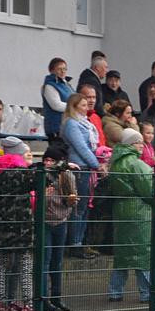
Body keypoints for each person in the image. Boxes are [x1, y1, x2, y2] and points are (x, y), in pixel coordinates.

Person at [0, 136, 36, 311]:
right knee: (25, 263)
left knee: (0, 263)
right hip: (21, 225)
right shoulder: (21, 174)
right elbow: (43, 180)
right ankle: (29, 302)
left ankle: (1, 302)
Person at [108, 129, 154, 303]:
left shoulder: (115, 163)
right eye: (138, 142)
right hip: (140, 211)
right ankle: (147, 293)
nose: (142, 145)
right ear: (131, 144)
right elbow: (150, 190)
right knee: (143, 253)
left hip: (120, 211)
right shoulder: (137, 164)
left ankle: (115, 291)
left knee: (122, 255)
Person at [37, 142, 77, 311]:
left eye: (52, 160)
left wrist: (71, 201)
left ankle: (56, 297)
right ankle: (43, 299)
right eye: (46, 159)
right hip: (44, 222)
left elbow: (71, 198)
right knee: (44, 261)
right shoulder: (40, 176)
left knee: (57, 261)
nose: (47, 163)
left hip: (61, 221)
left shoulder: (66, 176)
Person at [61, 92, 102, 259]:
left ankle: (80, 241)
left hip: (86, 167)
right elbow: (81, 148)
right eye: (83, 105)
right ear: (75, 106)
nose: (87, 107)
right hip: (79, 168)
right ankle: (75, 243)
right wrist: (97, 165)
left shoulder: (85, 123)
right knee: (78, 207)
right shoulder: (72, 124)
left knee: (84, 207)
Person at [41, 57, 74, 140]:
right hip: (56, 127)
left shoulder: (67, 85)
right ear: (51, 70)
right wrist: (74, 107)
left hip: (68, 124)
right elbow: (56, 105)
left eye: (65, 69)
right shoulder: (50, 86)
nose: (63, 71)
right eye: (59, 69)